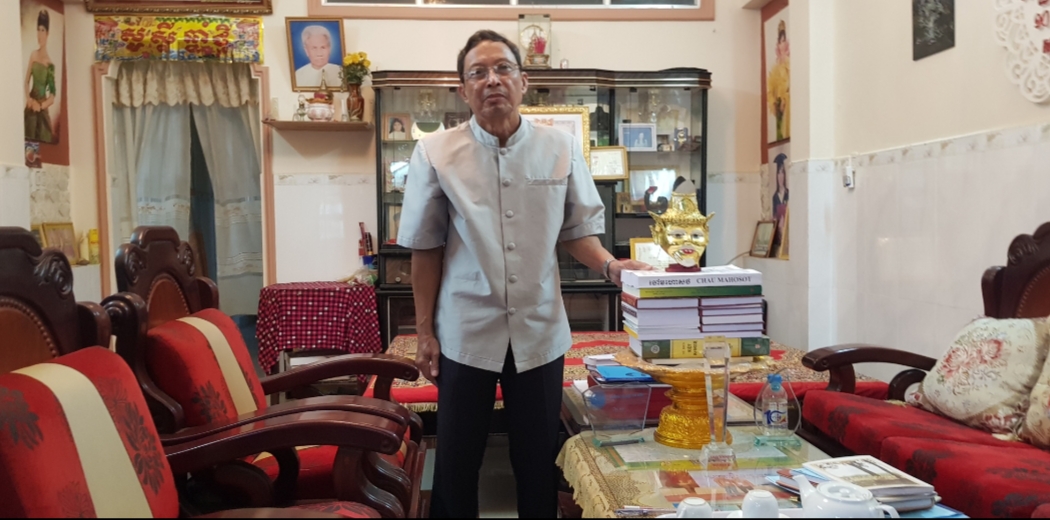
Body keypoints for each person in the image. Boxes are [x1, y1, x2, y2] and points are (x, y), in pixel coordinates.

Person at [396, 29, 652, 518]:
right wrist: (425, 333)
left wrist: (612, 265)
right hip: (466, 329)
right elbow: (426, 249)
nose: (492, 80)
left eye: (502, 69)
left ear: (523, 80)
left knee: (537, 460)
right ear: (462, 89)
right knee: (457, 462)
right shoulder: (435, 152)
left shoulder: (560, 147)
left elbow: (577, 232)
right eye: (478, 72)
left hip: (539, 328)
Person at [24, 9, 56, 144]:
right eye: (38, 30)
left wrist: (41, 106)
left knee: (42, 143)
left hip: (41, 109)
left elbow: (52, 96)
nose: (39, 34)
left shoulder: (50, 64)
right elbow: (26, 82)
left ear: (47, 33)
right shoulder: (33, 55)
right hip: (31, 106)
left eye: (42, 30)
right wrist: (29, 99)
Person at [294, 24, 341, 89]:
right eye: (314, 48)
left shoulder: (341, 72)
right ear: (306, 50)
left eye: (323, 47)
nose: (319, 53)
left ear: (329, 48)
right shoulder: (298, 75)